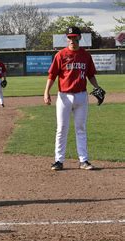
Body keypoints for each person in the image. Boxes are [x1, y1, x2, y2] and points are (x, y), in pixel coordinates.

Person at [44, 26, 103, 171]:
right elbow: (52, 75)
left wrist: (97, 87)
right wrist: (46, 92)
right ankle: (58, 160)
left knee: (81, 128)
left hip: (81, 96)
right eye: (69, 37)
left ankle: (83, 160)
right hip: (64, 96)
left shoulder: (85, 55)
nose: (72, 40)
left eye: (74, 37)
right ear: (67, 38)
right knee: (61, 128)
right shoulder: (60, 55)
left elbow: (90, 75)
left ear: (79, 38)